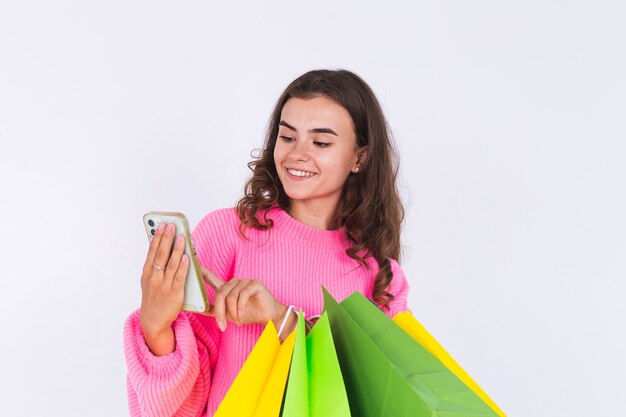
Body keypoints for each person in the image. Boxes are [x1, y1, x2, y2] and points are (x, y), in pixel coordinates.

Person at [123, 69, 411, 417]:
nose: (297, 154)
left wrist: (279, 318)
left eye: (320, 142)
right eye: (288, 137)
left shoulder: (380, 277)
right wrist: (155, 326)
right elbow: (182, 404)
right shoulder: (226, 234)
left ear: (359, 158)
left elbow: (375, 402)